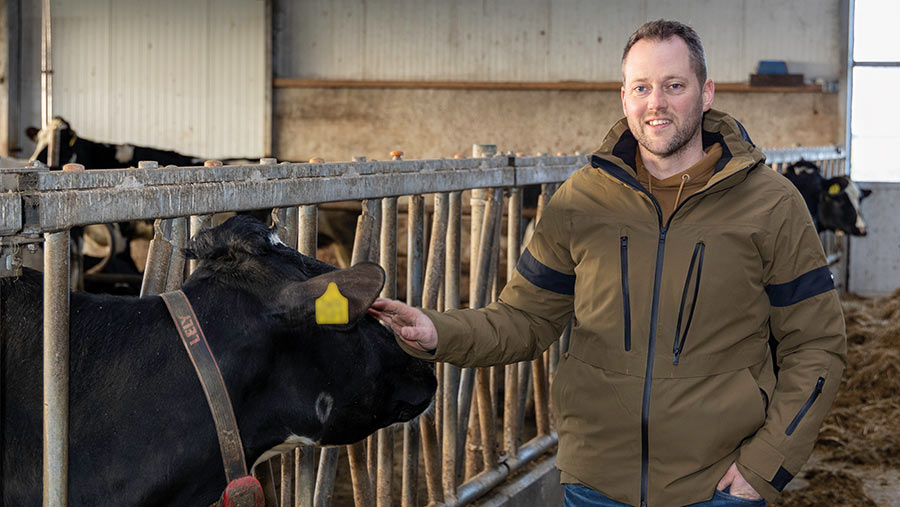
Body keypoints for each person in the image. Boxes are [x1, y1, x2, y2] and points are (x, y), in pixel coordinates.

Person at [369, 19, 846, 507]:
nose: (655, 103)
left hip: (717, 488)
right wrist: (436, 331)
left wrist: (765, 465)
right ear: (624, 98)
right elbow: (525, 319)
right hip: (595, 485)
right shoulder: (582, 200)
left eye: (674, 86)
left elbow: (817, 344)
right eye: (642, 87)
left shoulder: (771, 203)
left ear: (706, 94)